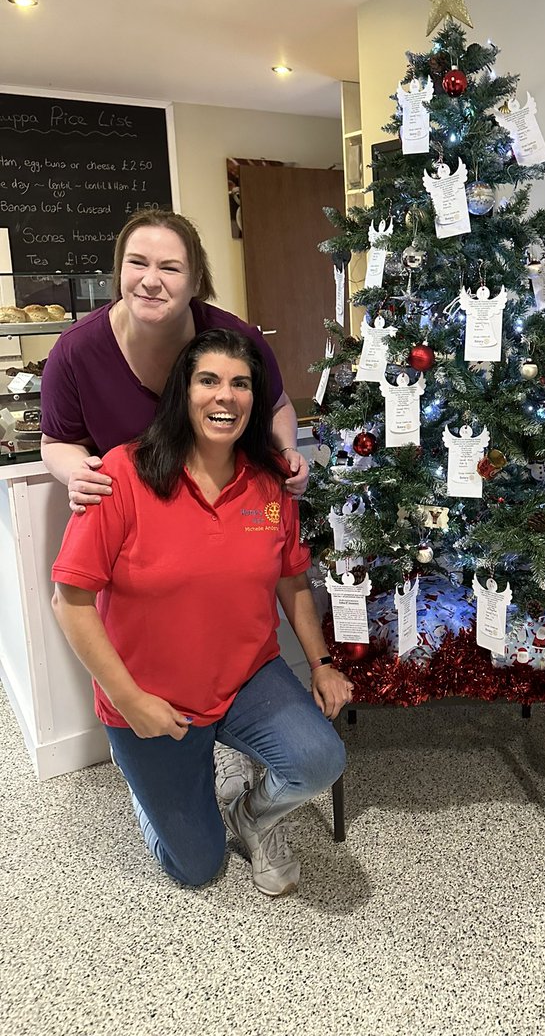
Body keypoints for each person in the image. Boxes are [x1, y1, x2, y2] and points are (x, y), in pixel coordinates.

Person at [51, 328, 352, 897]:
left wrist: (321, 663)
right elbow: (69, 602)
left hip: (245, 676)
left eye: (241, 384)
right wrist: (130, 700)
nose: (226, 396)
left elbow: (291, 579)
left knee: (318, 759)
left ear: (255, 400)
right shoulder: (122, 474)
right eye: (209, 380)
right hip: (151, 696)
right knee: (196, 866)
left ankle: (249, 812)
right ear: (183, 393)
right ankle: (152, 786)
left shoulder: (269, 481)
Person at [40, 207, 309, 798]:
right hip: (133, 515)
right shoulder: (77, 352)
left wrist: (287, 454)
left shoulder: (234, 340)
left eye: (170, 267)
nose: (150, 279)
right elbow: (56, 439)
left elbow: (278, 406)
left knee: (227, 617)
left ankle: (234, 738)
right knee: (193, 858)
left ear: (196, 281)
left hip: (223, 508)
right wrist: (73, 471)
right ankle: (159, 765)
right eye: (136, 263)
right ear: (118, 271)